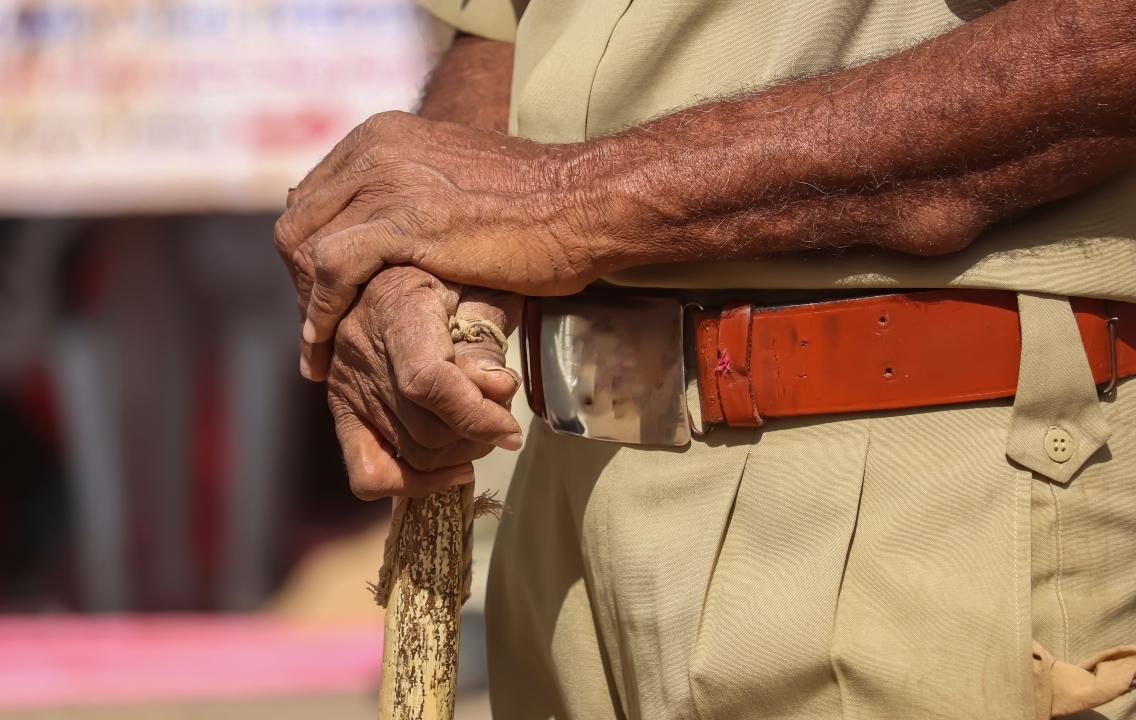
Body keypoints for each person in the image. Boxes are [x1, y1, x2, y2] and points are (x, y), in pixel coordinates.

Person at [274, 0, 1136, 717]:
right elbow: (503, 31)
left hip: (925, 483)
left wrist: (564, 202)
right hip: (566, 501)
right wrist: (422, 259)